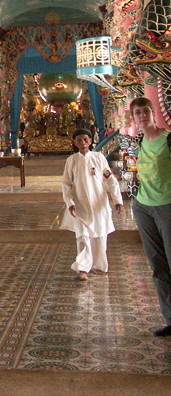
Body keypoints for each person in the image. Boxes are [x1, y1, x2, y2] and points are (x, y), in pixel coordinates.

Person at [130, 96, 171, 336]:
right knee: (157, 265)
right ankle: (169, 317)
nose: (142, 116)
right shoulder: (138, 142)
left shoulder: (167, 140)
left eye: (146, 111)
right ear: (133, 118)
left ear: (153, 112)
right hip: (143, 207)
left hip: (166, 205)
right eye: (137, 113)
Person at [61, 128, 123, 282]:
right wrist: (70, 202)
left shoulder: (99, 158)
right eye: (79, 140)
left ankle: (100, 266)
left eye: (85, 140)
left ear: (90, 141)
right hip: (80, 205)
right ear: (74, 143)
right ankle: (82, 269)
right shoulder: (72, 161)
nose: (82, 143)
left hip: (98, 203)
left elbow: (110, 179)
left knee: (100, 235)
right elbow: (66, 184)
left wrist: (117, 200)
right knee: (82, 237)